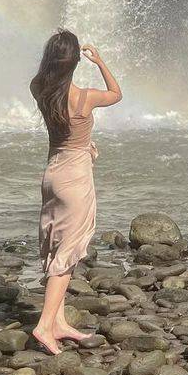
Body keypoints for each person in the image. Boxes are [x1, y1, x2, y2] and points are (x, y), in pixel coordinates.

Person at [29, 29, 122, 355]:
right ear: (74, 62)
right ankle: (43, 326)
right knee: (68, 254)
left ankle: (59, 321)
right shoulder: (86, 98)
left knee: (56, 244)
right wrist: (99, 62)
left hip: (51, 175)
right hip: (76, 179)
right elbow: (116, 93)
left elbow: (45, 77)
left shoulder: (40, 89)